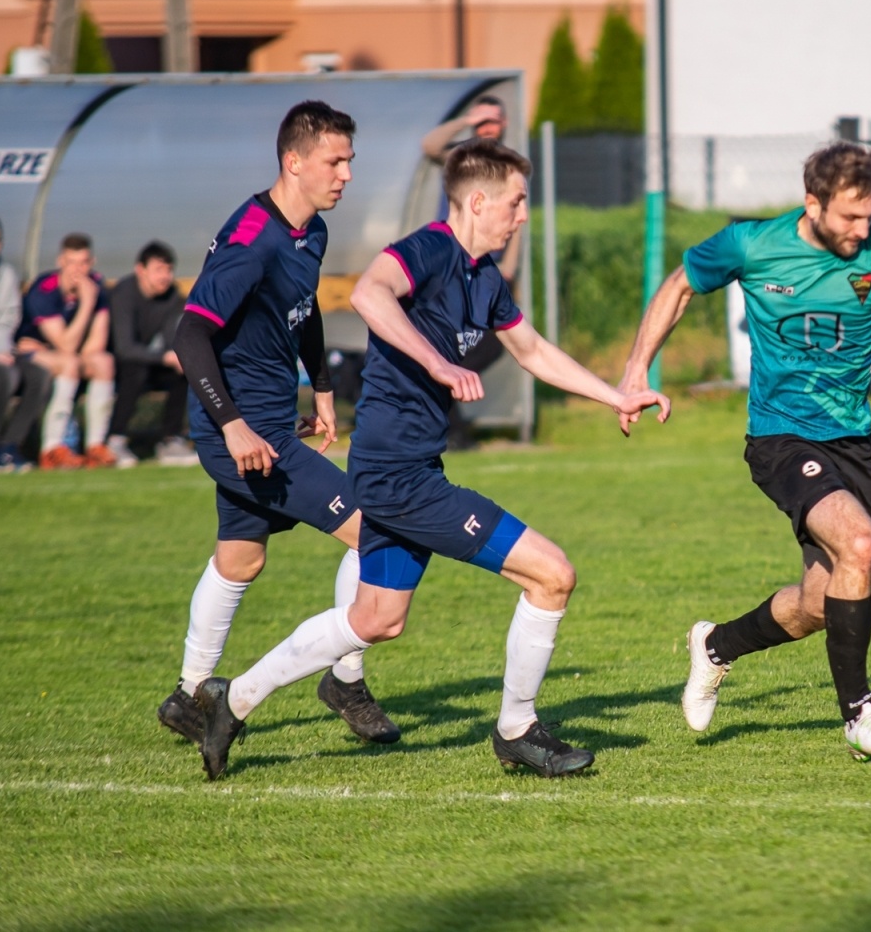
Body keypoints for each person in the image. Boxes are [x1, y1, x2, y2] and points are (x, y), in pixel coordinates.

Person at [193, 139, 668, 781]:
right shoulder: (430, 249)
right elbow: (368, 294)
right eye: (516, 202)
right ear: (478, 201)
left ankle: (234, 698)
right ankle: (518, 729)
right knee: (552, 574)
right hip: (399, 480)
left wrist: (617, 394)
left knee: (377, 620)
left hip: (408, 472)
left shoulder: (485, 277)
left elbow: (531, 351)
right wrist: (437, 361)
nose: (522, 215)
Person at [620, 142, 871, 761]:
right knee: (860, 545)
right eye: (849, 218)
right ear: (812, 204)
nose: (863, 231)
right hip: (780, 438)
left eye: (870, 216)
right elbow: (679, 286)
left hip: (852, 444)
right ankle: (860, 715)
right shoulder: (752, 244)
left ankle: (716, 645)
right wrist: (635, 372)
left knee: (821, 601)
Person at [159, 100, 398, 754]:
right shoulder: (253, 240)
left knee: (241, 558)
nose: (346, 173)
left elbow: (304, 310)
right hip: (250, 436)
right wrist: (234, 426)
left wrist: (320, 383)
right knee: (375, 532)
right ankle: (345, 679)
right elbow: (190, 333)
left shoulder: (308, 231)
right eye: (334, 161)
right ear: (293, 162)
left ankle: (189, 694)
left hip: (267, 422)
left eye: (350, 160)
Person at [421, 95, 516, 450]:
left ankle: (444, 385)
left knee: (493, 344)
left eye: (493, 122)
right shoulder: (460, 157)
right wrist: (465, 119)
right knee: (445, 343)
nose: (488, 129)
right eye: (482, 122)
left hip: (489, 270)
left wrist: (510, 266)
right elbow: (429, 145)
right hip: (455, 267)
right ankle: (450, 423)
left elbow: (518, 221)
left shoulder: (508, 165)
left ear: (504, 125)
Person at [15, 232, 116, 469]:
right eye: (71, 263)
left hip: (65, 354)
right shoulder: (45, 289)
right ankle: (53, 449)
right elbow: (67, 346)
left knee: (104, 362)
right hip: (26, 354)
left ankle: (95, 446)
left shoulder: (98, 285)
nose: (77, 270)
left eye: (83, 263)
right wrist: (87, 303)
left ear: (92, 263)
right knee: (68, 362)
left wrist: (68, 346)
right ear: (60, 261)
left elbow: (96, 344)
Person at [105, 240, 196, 467]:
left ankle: (171, 440)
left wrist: (176, 357)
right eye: (158, 270)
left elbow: (170, 340)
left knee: (182, 370)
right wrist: (165, 357)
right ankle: (115, 439)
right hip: (115, 364)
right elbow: (124, 348)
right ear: (140, 270)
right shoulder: (123, 293)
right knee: (135, 370)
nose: (165, 276)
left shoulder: (173, 297)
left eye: (169, 270)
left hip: (150, 362)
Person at [0, 215, 52, 472]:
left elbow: (9, 319)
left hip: (2, 349)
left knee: (40, 375)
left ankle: (10, 446)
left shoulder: (6, 274)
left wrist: (1, 349)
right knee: (6, 375)